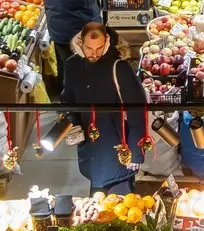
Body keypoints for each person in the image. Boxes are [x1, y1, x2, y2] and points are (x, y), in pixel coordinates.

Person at [61, 21, 146, 196]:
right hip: (89, 142)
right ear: (80, 43)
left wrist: (136, 151)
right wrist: (71, 122)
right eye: (89, 48)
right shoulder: (73, 65)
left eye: (99, 48)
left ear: (107, 42)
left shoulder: (118, 67)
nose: (94, 53)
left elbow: (137, 109)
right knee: (97, 187)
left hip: (116, 143)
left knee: (122, 201)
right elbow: (67, 98)